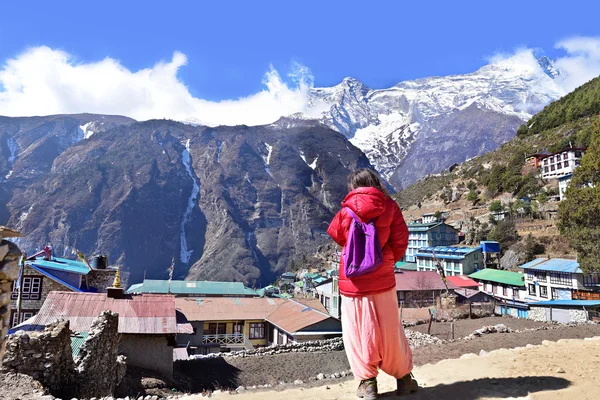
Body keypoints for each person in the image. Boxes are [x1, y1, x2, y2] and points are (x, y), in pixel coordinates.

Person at [327, 169, 418, 399]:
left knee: (359, 333)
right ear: (375, 183)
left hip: (353, 283)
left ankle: (368, 384)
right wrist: (386, 260)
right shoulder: (390, 206)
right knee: (390, 332)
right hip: (383, 282)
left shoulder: (346, 210)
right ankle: (404, 379)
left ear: (354, 186)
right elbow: (401, 240)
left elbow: (336, 235)